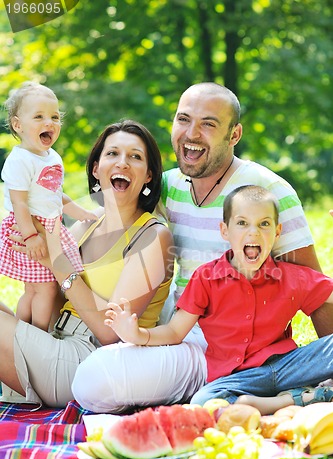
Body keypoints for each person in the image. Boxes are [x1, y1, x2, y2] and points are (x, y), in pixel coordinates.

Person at [72, 82, 332, 414]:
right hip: (181, 331)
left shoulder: (269, 192)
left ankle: (245, 386)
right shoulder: (167, 185)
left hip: (246, 344)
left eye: (208, 124)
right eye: (183, 119)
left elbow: (318, 292)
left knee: (96, 380)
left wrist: (327, 369)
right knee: (93, 380)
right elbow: (110, 210)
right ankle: (227, 389)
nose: (191, 133)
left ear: (234, 135)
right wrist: (46, 229)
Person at [105, 186, 333, 415]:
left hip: (288, 366)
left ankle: (288, 397)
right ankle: (294, 399)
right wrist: (137, 335)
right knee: (203, 402)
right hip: (238, 379)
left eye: (264, 224)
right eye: (242, 223)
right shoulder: (206, 279)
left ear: (277, 232)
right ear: (225, 230)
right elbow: (174, 332)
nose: (253, 232)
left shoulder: (292, 277)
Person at [0, 119, 174, 408]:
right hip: (56, 339)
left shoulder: (154, 236)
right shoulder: (85, 226)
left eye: (135, 157)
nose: (123, 163)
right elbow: (49, 295)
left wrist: (54, 260)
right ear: (96, 168)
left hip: (91, 360)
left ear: (148, 176)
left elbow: (110, 333)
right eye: (112, 154)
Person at [0, 81, 96, 331]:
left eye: (54, 116)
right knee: (43, 287)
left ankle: (21, 331)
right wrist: (31, 236)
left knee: (37, 288)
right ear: (18, 125)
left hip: (50, 228)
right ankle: (38, 334)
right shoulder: (20, 160)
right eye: (39, 116)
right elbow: (19, 203)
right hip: (29, 228)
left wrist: (81, 213)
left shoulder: (51, 156)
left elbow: (55, 194)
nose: (49, 122)